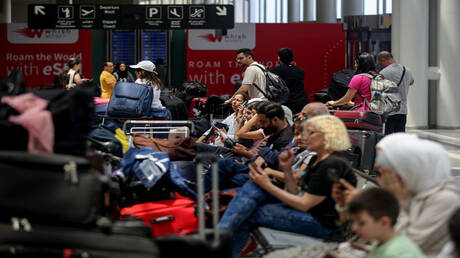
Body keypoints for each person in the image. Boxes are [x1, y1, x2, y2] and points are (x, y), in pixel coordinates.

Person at [218, 115, 356, 258]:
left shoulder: (332, 164)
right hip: (311, 214)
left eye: (311, 133)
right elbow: (294, 191)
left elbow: (304, 204)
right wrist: (287, 169)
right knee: (254, 190)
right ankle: (220, 242)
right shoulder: (318, 159)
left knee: (251, 209)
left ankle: (218, 242)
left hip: (324, 225)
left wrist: (267, 184)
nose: (305, 137)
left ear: (328, 135)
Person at [332, 133, 460, 257]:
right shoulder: (411, 191)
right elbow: (356, 235)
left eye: (385, 169)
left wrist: (397, 201)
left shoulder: (445, 199)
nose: (382, 176)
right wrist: (345, 207)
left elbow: (405, 245)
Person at [347, 188, 425, 258]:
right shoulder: (381, 241)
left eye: (361, 223)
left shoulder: (399, 253)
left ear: (384, 223)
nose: (354, 228)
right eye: (353, 222)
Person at [377, 51, 415, 134]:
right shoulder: (407, 70)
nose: (380, 65)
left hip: (388, 110)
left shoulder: (383, 73)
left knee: (389, 136)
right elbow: (411, 82)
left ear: (383, 60)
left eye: (380, 63)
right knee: (400, 136)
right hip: (403, 110)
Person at [270, 48, 309, 114]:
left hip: (287, 105)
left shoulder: (274, 72)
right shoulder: (300, 71)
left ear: (279, 58)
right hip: (302, 103)